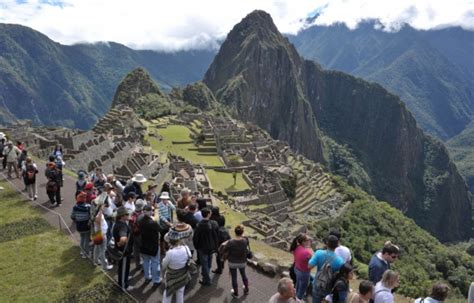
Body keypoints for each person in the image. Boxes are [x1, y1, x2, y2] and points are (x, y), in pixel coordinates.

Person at [308, 235, 345, 303]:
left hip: (317, 284)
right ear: (337, 246)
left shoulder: (319, 253)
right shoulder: (340, 261)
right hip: (329, 288)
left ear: (327, 243)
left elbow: (309, 266)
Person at [193, 207, 219, 286]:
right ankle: (207, 277)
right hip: (211, 246)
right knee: (208, 262)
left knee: (204, 263)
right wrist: (216, 246)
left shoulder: (198, 225)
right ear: (208, 214)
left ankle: (206, 279)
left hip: (202, 247)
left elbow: (196, 238)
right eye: (210, 212)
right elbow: (216, 235)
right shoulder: (214, 223)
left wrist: (197, 247)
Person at [222, 225, 250, 297]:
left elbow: (224, 250)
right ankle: (246, 288)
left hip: (232, 262)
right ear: (242, 232)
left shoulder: (231, 242)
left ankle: (236, 292)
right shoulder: (245, 241)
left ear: (235, 232)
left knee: (234, 277)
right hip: (242, 262)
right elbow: (246, 250)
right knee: (243, 275)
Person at [162, 238, 191, 303]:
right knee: (180, 294)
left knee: (168, 294)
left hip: (171, 277)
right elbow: (190, 256)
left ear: (170, 242)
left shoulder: (170, 252)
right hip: (182, 275)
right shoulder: (186, 248)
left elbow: (163, 265)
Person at [139, 205, 162, 286]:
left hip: (143, 244)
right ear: (149, 212)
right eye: (152, 210)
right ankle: (156, 280)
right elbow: (160, 229)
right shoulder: (152, 222)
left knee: (146, 261)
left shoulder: (140, 220)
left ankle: (147, 277)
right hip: (153, 245)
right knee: (155, 262)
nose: (153, 212)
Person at [113, 206, 134, 291]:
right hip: (124, 251)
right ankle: (123, 286)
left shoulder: (118, 222)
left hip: (121, 250)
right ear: (122, 216)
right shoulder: (122, 226)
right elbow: (123, 238)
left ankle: (125, 277)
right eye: (127, 214)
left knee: (123, 267)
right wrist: (120, 242)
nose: (128, 215)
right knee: (123, 267)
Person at [289, 233, 313, 300]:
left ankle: (293, 297)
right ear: (303, 242)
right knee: (301, 291)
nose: (309, 241)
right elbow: (311, 265)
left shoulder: (296, 248)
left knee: (297, 285)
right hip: (304, 273)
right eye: (308, 240)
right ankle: (297, 300)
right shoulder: (308, 252)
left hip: (296, 269)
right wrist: (309, 249)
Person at [92, 202, 113, 270]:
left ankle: (95, 261)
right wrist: (100, 211)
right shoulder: (98, 214)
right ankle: (105, 266)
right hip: (101, 234)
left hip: (98, 233)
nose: (104, 207)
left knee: (97, 248)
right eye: (103, 206)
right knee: (103, 250)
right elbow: (98, 221)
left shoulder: (94, 212)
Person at [71, 192, 91, 258]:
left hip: (79, 226)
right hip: (86, 226)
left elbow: (72, 216)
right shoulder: (88, 206)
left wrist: (77, 219)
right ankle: (86, 253)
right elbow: (91, 215)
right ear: (84, 199)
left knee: (82, 238)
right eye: (85, 197)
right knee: (86, 240)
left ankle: (82, 251)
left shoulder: (75, 207)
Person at [213, 210, 230, 274]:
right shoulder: (226, 230)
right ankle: (222, 265)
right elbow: (229, 238)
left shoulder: (218, 231)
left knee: (218, 258)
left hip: (220, 247)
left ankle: (219, 269)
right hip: (226, 247)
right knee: (223, 257)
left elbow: (216, 240)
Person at [130, 199, 146, 269]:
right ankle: (144, 266)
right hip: (141, 235)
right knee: (143, 251)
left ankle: (137, 265)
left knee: (136, 250)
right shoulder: (142, 215)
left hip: (133, 234)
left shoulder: (132, 213)